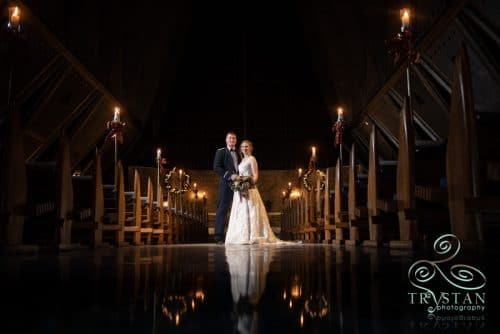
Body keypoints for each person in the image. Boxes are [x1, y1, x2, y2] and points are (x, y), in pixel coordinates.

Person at [225, 140, 279, 245]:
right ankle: (241, 236)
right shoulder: (242, 160)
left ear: (251, 148)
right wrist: (239, 185)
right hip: (240, 190)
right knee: (240, 212)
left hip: (250, 189)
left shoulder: (252, 159)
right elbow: (240, 174)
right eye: (243, 146)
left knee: (251, 211)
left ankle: (253, 235)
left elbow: (255, 175)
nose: (245, 148)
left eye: (247, 146)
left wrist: (247, 185)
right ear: (240, 148)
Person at [213, 131, 240, 244]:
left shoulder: (239, 153)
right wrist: (230, 176)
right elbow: (216, 167)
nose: (232, 140)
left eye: (234, 138)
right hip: (226, 184)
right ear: (226, 140)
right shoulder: (221, 152)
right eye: (230, 138)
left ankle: (236, 235)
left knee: (238, 209)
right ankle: (218, 236)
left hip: (239, 184)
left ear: (236, 140)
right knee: (223, 209)